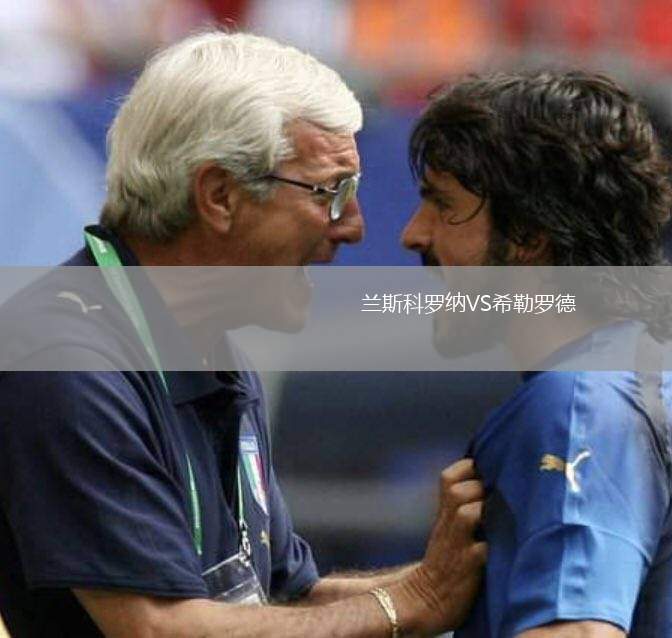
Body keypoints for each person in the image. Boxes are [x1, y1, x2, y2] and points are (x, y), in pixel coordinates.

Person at [0, 32, 486, 637]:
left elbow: (282, 599)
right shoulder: (64, 359)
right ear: (220, 195)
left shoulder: (207, 348)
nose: (356, 228)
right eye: (333, 193)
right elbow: (159, 628)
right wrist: (413, 600)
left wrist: (471, 573)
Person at [400, 71, 672, 637]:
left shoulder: (577, 404)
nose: (413, 234)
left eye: (442, 205)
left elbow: (579, 631)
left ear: (528, 234)